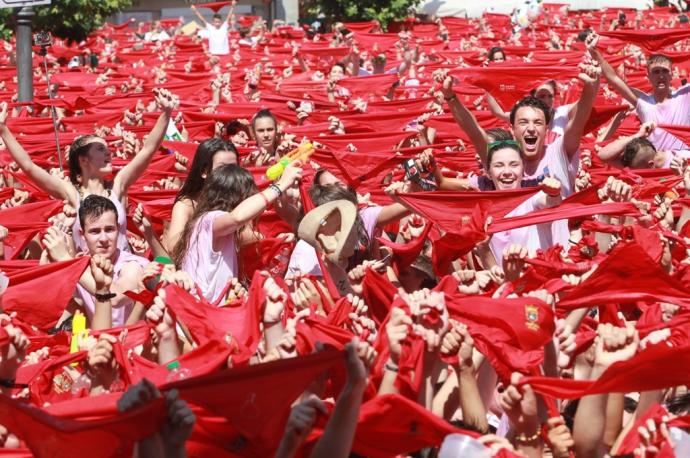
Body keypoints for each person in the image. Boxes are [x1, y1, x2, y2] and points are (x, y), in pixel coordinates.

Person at [0, 89, 179, 252]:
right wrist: (3, 130)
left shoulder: (118, 187)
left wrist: (166, 113)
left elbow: (148, 150)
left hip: (123, 275)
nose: (108, 153)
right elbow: (28, 166)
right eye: (100, 149)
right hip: (87, 278)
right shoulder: (71, 193)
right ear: (83, 160)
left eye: (107, 149)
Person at [441, 57, 600, 197]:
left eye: (537, 123)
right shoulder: (503, 164)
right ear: (512, 129)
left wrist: (590, 87)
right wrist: (450, 95)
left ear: (546, 129)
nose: (531, 128)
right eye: (523, 122)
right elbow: (474, 132)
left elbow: (579, 120)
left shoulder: (560, 151)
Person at [173, 163, 302, 304]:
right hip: (201, 313)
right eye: (249, 196)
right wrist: (280, 185)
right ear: (237, 197)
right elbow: (237, 217)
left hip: (210, 312)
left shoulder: (221, 230)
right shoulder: (208, 220)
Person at [47, 195, 148, 330]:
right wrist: (58, 235)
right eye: (95, 231)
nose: (104, 238)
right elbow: (51, 296)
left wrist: (65, 258)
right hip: (95, 345)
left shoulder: (132, 264)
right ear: (82, 235)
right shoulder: (82, 264)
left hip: (129, 346)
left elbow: (115, 298)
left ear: (118, 229)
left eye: (109, 229)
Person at [287, 169, 410, 276]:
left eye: (339, 184)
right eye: (327, 187)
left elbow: (411, 207)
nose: (335, 190)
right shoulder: (308, 248)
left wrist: (405, 194)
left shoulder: (363, 216)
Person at [587, 31, 690, 151]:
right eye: (656, 72)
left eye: (665, 71)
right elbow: (614, 79)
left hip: (683, 165)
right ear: (648, 76)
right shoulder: (643, 102)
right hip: (653, 166)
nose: (661, 75)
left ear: (672, 74)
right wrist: (594, 52)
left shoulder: (684, 96)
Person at [163, 138, 239, 254]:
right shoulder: (187, 205)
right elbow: (174, 247)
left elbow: (251, 236)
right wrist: (207, 227)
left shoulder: (241, 199)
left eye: (233, 167)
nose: (229, 174)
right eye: (222, 168)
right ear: (204, 171)